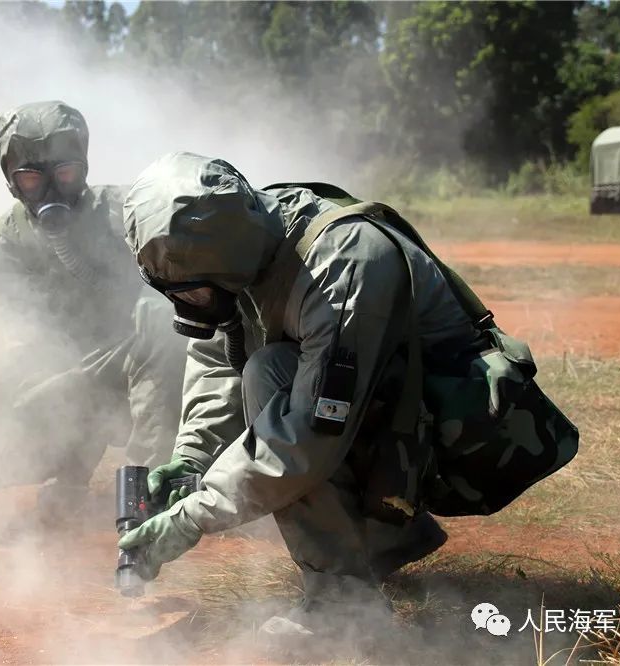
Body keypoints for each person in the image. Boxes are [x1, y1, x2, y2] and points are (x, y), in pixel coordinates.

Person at [117, 152, 480, 641]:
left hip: (458, 432)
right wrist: (191, 459)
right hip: (386, 417)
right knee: (265, 371)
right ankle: (377, 541)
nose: (185, 305)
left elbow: (309, 433)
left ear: (226, 263)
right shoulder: (239, 244)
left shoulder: (343, 265)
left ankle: (344, 605)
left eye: (195, 294)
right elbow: (218, 353)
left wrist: (192, 516)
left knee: (270, 377)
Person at [0, 101, 185, 508]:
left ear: (83, 168)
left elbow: (196, 273)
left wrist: (156, 293)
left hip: (142, 373)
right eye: (32, 180)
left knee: (163, 323)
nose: (52, 191)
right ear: (12, 183)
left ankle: (150, 488)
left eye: (64, 174)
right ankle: (72, 466)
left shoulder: (126, 215)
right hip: (64, 390)